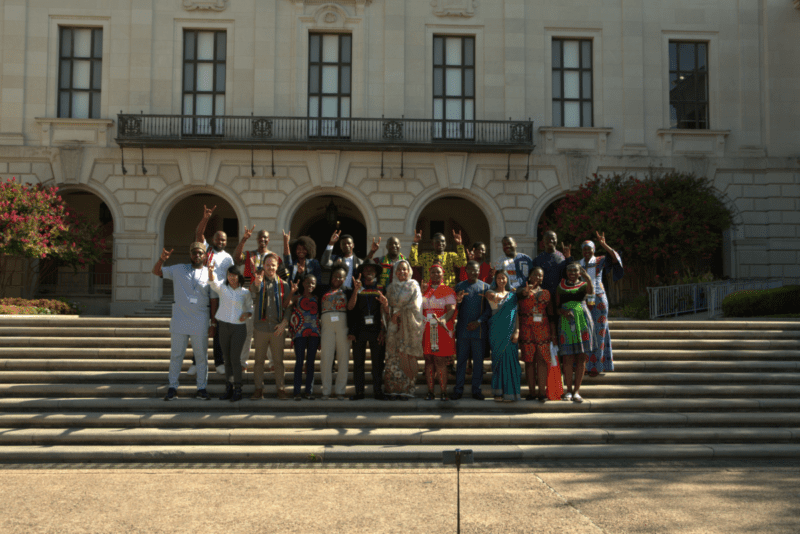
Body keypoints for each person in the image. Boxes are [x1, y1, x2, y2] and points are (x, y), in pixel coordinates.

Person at [151, 242, 213, 401]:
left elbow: (214, 298)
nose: (197, 255)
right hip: (180, 320)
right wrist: (161, 259)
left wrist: (213, 322)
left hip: (200, 320)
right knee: (176, 355)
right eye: (194, 253)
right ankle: (172, 387)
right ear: (190, 254)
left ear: (205, 255)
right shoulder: (178, 269)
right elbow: (156, 271)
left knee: (201, 356)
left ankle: (202, 388)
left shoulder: (209, 273)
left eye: (200, 253)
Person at [234, 225, 283, 375]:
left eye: (265, 237)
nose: (263, 240)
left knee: (268, 331)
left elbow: (281, 276)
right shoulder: (250, 255)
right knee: (247, 332)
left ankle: (273, 362)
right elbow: (237, 259)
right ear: (257, 239)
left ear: (268, 240)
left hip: (268, 300)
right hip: (251, 299)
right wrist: (243, 239)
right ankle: (242, 363)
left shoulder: (274, 257)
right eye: (260, 237)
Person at [191, 205, 233, 377]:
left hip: (221, 297)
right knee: (201, 330)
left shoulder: (228, 257)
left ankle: (219, 362)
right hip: (204, 295)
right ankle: (196, 362)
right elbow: (198, 234)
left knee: (219, 331)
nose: (221, 242)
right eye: (218, 239)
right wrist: (206, 218)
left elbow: (231, 278)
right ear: (213, 240)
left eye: (223, 240)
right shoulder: (207, 250)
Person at [376, 259, 424, 400]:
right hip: (393, 326)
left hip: (408, 326)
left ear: (409, 271)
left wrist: (400, 313)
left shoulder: (414, 285)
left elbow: (417, 305)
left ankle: (406, 390)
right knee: (392, 357)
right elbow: (386, 309)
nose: (402, 272)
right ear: (395, 272)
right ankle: (392, 390)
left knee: (406, 355)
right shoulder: (390, 287)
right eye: (399, 269)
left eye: (405, 269)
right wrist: (387, 308)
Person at [580, 232, 624, 376]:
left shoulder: (600, 260)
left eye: (589, 248)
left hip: (598, 300)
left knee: (599, 333)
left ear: (593, 250)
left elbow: (615, 258)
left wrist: (604, 245)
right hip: (584, 301)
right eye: (584, 249)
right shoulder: (578, 264)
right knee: (585, 333)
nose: (587, 251)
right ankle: (585, 366)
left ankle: (597, 367)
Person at [248, 253, 292, 400]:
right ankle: (258, 389)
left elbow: (289, 307)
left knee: (278, 361)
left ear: (277, 266)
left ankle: (280, 388)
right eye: (268, 265)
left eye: (273, 265)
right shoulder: (258, 281)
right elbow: (252, 291)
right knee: (259, 361)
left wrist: (284, 323)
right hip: (260, 328)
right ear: (264, 266)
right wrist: (256, 283)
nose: (270, 267)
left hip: (276, 329)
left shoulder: (283, 285)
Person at [207, 262, 252, 402]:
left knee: (235, 359)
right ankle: (229, 388)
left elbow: (250, 306)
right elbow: (212, 282)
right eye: (229, 275)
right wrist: (210, 271)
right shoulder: (222, 288)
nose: (232, 278)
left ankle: (238, 389)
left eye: (234, 275)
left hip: (238, 328)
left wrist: (247, 314)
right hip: (224, 327)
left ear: (239, 277)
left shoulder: (245, 292)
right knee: (227, 360)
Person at [347, 260, 386, 400]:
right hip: (359, 331)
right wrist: (356, 291)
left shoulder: (381, 289)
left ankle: (378, 391)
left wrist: (383, 330)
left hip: (376, 331)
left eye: (372, 270)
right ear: (362, 273)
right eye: (366, 270)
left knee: (377, 363)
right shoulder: (357, 288)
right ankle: (359, 392)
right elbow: (350, 308)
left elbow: (385, 311)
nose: (369, 272)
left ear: (375, 273)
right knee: (358, 363)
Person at [556, 262, 596, 403]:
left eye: (575, 270)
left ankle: (577, 391)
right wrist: (563, 312)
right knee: (567, 357)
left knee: (581, 356)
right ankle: (568, 391)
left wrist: (588, 278)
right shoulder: (561, 286)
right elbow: (556, 307)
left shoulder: (584, 284)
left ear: (580, 272)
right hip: (566, 323)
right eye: (569, 270)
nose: (572, 272)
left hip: (582, 321)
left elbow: (591, 292)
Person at [452, 260, 491, 400]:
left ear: (479, 271)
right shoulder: (459, 287)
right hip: (463, 331)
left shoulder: (486, 288)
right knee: (461, 361)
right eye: (471, 270)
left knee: (478, 362)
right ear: (466, 271)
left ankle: (476, 389)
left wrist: (479, 322)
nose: (473, 272)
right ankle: (458, 389)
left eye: (476, 270)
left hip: (479, 331)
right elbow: (453, 309)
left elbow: (488, 310)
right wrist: (458, 301)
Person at [517, 267, 557, 402]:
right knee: (529, 361)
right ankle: (531, 392)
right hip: (526, 330)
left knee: (542, 361)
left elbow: (551, 314)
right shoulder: (522, 291)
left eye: (541, 276)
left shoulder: (546, 293)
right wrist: (525, 292)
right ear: (530, 276)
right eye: (536, 275)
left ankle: (541, 393)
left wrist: (553, 333)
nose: (538, 278)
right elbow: (518, 297)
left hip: (543, 330)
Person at [421, 263, 457, 401]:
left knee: (440, 360)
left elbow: (451, 309)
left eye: (438, 272)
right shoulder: (424, 289)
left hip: (440, 328)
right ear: (429, 274)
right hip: (426, 328)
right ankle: (430, 391)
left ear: (443, 274)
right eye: (433, 272)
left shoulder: (447, 290)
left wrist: (442, 320)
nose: (436, 274)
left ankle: (443, 391)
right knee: (428, 360)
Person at [486, 270, 521, 402]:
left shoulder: (513, 295)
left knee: (511, 363)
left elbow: (516, 314)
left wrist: (517, 331)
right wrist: (497, 297)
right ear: (495, 280)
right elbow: (490, 295)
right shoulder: (490, 293)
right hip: (496, 332)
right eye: (499, 278)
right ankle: (498, 393)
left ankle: (511, 393)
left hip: (510, 332)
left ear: (507, 279)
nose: (501, 280)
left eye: (504, 278)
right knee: (498, 361)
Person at [319, 263, 351, 400]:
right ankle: (326, 391)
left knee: (343, 359)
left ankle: (340, 391)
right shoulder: (322, 290)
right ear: (331, 277)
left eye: (341, 277)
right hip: (326, 327)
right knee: (326, 358)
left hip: (343, 327)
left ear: (344, 279)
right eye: (335, 276)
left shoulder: (349, 291)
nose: (337, 279)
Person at [287, 273, 320, 400]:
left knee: (310, 362)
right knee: (299, 362)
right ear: (303, 283)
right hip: (300, 333)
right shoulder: (297, 297)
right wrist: (291, 292)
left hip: (314, 333)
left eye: (313, 283)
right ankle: (296, 392)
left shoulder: (317, 298)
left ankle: (308, 391)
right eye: (308, 282)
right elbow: (286, 305)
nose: (310, 285)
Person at [532, 230, 573, 324]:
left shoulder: (562, 257)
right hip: (543, 298)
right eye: (547, 239)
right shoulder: (538, 260)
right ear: (543, 241)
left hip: (560, 298)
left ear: (556, 240)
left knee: (560, 324)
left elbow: (571, 275)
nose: (550, 241)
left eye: (553, 239)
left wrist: (568, 258)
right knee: (542, 323)